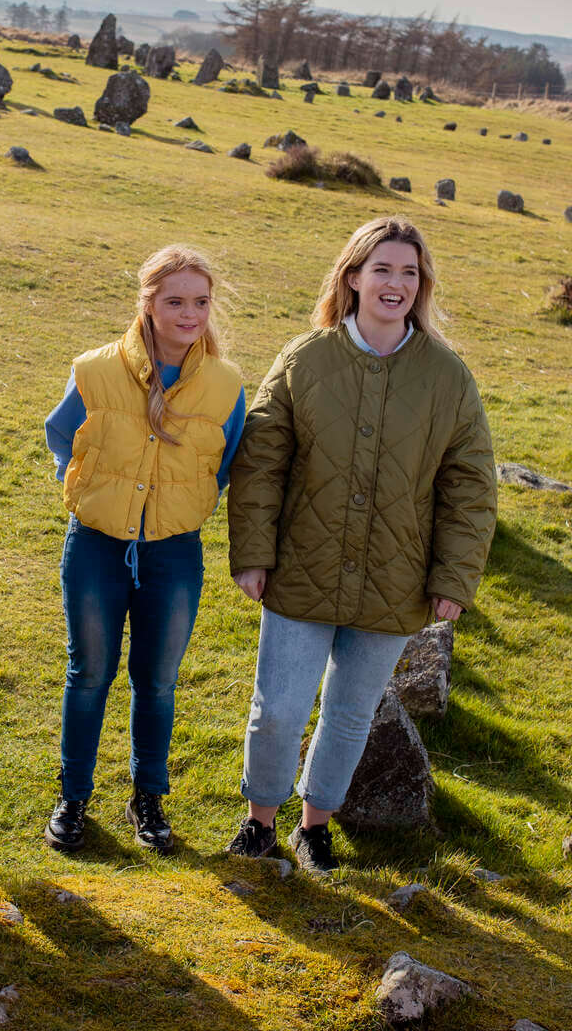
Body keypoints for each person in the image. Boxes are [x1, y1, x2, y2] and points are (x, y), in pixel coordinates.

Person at [224, 216, 496, 875]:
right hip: (301, 570)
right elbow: (260, 461)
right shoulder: (305, 359)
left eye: (409, 272)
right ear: (352, 276)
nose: (395, 284)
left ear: (421, 285)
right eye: (382, 270)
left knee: (351, 715)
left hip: (396, 580)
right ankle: (261, 819)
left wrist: (453, 579)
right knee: (279, 710)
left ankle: (315, 826)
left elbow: (471, 485)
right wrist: (253, 552)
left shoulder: (447, 376)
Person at [40, 245, 246, 854]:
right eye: (175, 301)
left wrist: (180, 503)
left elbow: (227, 462)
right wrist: (86, 488)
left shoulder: (227, 386)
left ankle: (147, 798)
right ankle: (73, 797)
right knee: (89, 673)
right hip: (96, 547)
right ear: (149, 304)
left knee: (157, 681)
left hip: (175, 554)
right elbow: (59, 432)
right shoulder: (97, 370)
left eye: (201, 303)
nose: (190, 314)